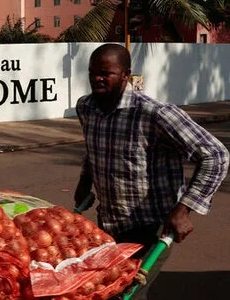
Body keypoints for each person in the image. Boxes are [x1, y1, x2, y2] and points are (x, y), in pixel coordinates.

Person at [73, 43, 228, 299]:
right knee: (103, 289)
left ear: (125, 74)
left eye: (105, 73)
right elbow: (94, 147)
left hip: (152, 227)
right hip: (110, 223)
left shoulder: (155, 113)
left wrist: (184, 209)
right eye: (92, 73)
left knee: (129, 292)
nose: (97, 79)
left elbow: (216, 155)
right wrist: (84, 181)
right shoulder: (86, 107)